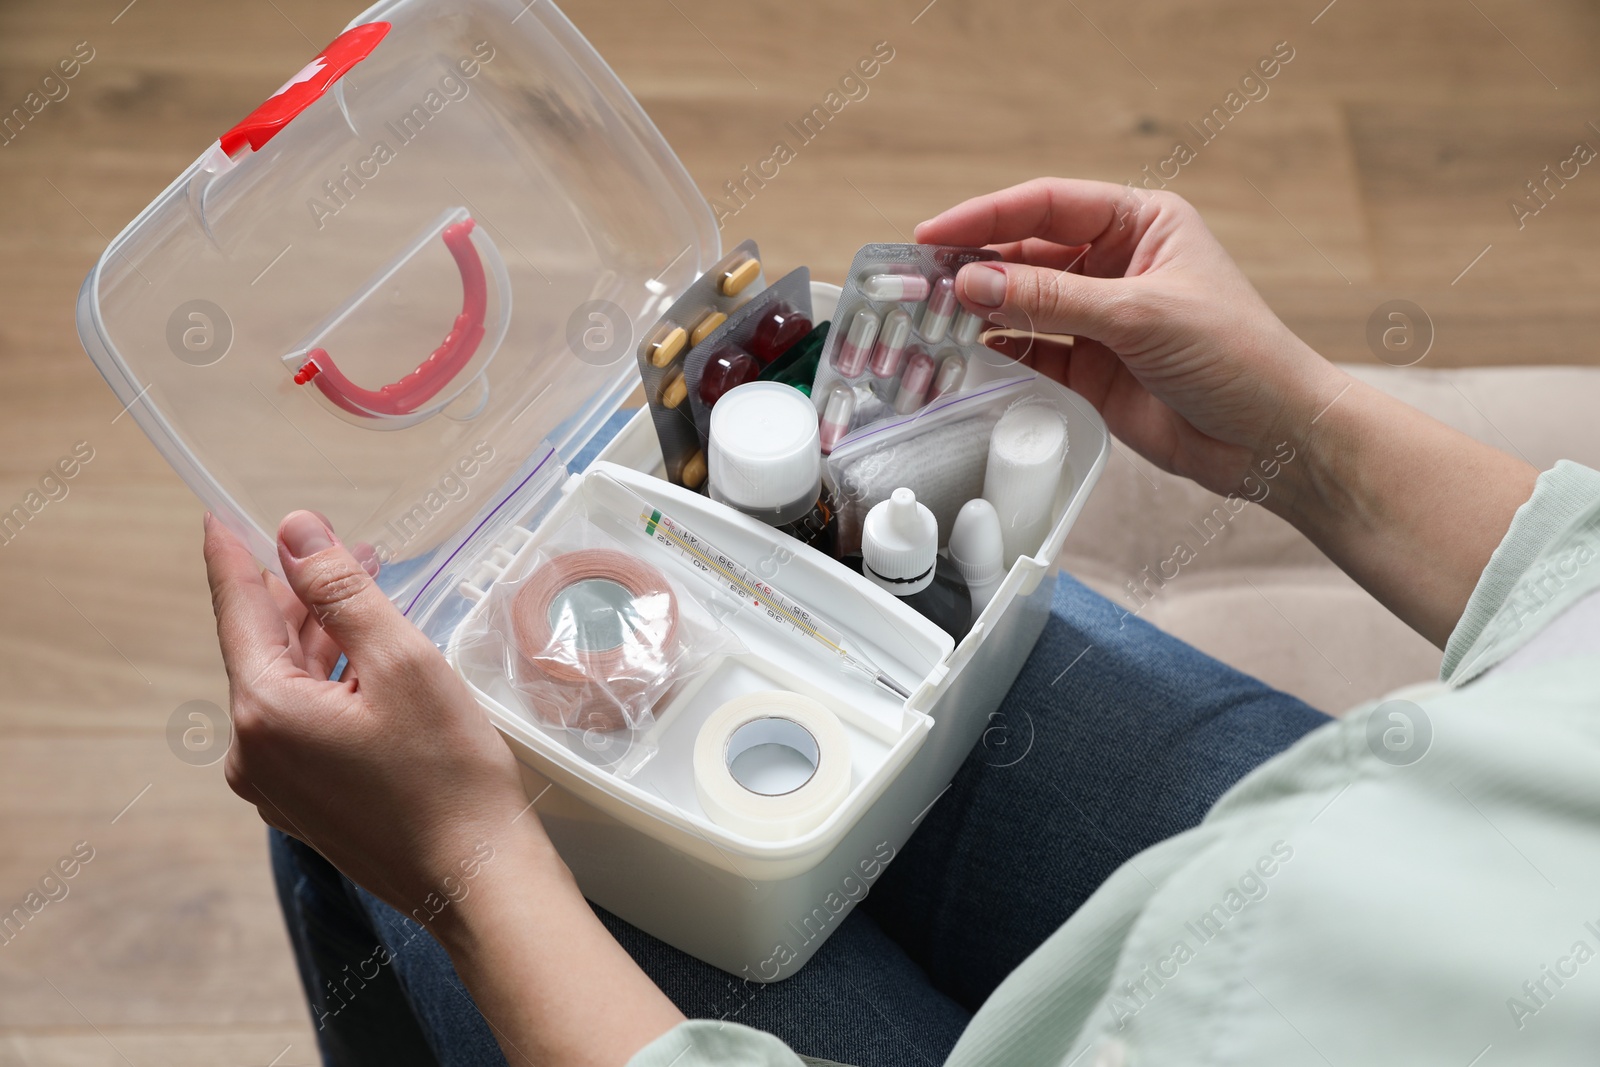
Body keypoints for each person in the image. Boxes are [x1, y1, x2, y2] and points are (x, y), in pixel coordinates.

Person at [204, 178, 1600, 1066]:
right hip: (1384, 832)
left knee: (346, 803)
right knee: (514, 541)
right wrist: (1309, 431)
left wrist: (465, 859)